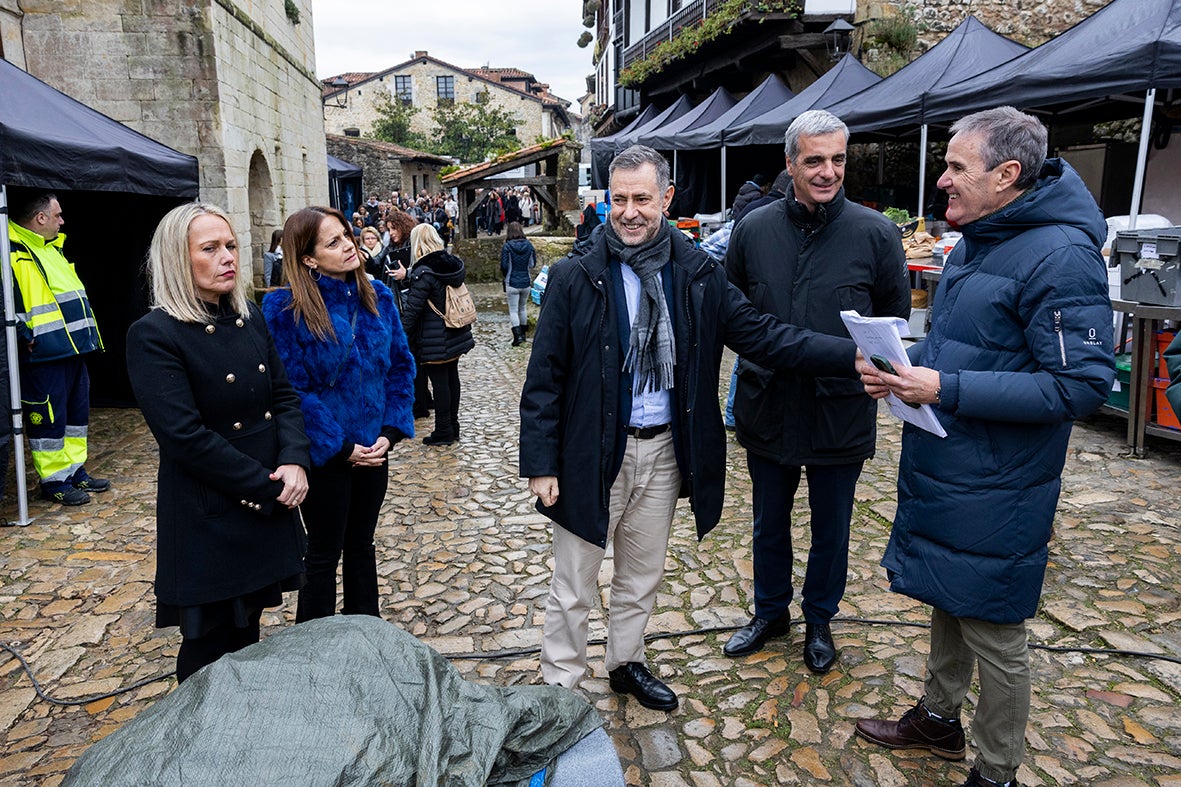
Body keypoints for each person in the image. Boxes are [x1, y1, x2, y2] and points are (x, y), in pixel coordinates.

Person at [519, 145, 860, 711]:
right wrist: (541, 462)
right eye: (618, 199)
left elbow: (765, 335)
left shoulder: (699, 274)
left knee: (641, 576)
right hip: (589, 454)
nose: (628, 212)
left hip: (662, 452)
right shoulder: (575, 276)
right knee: (574, 583)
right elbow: (544, 377)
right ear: (607, 200)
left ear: (667, 200)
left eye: (642, 199)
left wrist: (851, 355)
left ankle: (626, 662)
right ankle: (560, 688)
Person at [852, 106, 1115, 787]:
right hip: (952, 460)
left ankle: (995, 771)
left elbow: (1078, 386)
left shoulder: (1061, 255)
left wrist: (945, 386)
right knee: (948, 587)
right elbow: (960, 347)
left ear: (1006, 174)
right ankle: (938, 720)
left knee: (994, 628)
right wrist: (901, 368)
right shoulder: (980, 236)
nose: (940, 180)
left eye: (955, 167)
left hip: (1000, 476)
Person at [721, 110, 910, 673]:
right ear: (789, 164)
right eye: (814, 160)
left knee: (833, 527)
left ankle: (820, 619)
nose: (828, 172)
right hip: (769, 404)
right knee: (767, 521)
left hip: (840, 411)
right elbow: (735, 317)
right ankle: (769, 611)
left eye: (838, 159)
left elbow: (893, 320)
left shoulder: (875, 234)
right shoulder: (753, 231)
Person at [126, 203, 310, 682]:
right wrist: (268, 484)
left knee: (248, 624)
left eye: (230, 245)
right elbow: (184, 437)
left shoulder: (248, 315)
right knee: (208, 644)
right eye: (210, 249)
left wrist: (294, 461)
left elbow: (284, 397)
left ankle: (240, 732)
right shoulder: (154, 335)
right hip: (211, 511)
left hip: (267, 497)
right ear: (177, 259)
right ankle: (197, 743)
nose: (228, 257)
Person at [263, 206, 416, 622]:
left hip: (373, 448)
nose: (349, 245)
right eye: (333, 242)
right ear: (308, 258)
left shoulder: (378, 296)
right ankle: (314, 650)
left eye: (347, 235)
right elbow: (292, 391)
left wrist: (390, 431)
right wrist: (340, 446)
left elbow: (400, 365)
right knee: (324, 553)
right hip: (326, 455)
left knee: (362, 545)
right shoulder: (283, 310)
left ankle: (366, 635)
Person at [7, 191, 109, 506]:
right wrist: (21, 331)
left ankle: (74, 469)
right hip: (42, 354)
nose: (62, 221)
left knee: (76, 414)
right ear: (40, 218)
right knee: (48, 418)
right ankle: (54, 481)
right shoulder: (9, 249)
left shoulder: (51, 248)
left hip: (72, 349)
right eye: (57, 215)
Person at [400, 223, 475, 447]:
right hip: (454, 331)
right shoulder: (451, 266)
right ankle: (453, 426)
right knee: (452, 379)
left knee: (440, 383)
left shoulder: (424, 272)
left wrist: (400, 336)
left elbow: (413, 310)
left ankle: (443, 430)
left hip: (434, 338)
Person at [500, 222, 536, 347]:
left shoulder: (507, 247)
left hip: (512, 282)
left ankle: (517, 337)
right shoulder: (529, 245)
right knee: (523, 308)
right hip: (526, 281)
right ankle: (524, 335)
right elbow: (532, 264)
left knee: (514, 310)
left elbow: (504, 266)